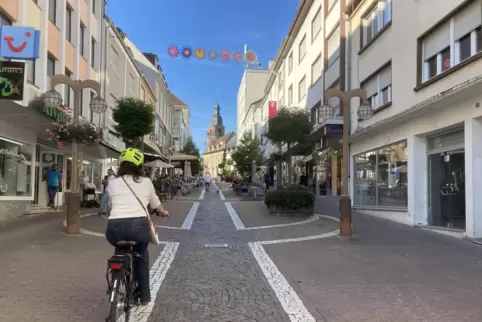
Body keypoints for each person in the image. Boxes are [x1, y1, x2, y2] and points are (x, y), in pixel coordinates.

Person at [106, 148, 169, 306]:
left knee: (119, 251)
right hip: (139, 227)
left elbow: (110, 206)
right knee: (141, 257)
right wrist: (163, 212)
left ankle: (116, 280)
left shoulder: (112, 182)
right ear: (139, 166)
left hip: (114, 228)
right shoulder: (146, 182)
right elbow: (155, 204)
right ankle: (144, 297)